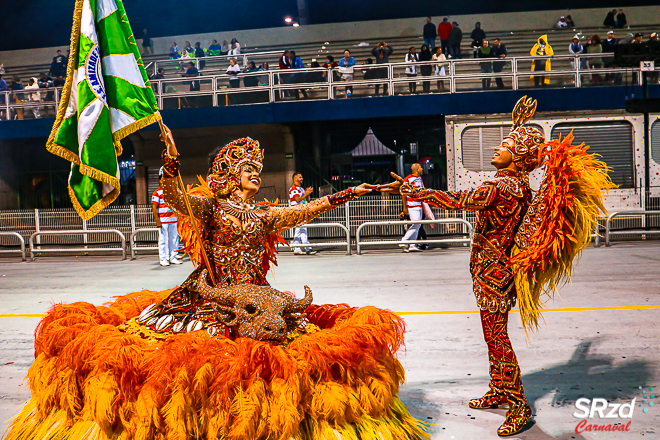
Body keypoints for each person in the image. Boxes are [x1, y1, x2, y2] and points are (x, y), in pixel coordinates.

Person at [6, 129, 431, 440]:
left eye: (257, 170)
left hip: (260, 298)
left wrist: (360, 190)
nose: (254, 174)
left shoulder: (264, 215)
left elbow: (309, 210)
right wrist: (170, 160)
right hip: (209, 297)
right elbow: (174, 197)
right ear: (230, 174)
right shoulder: (209, 208)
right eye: (248, 169)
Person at [378, 96, 614, 437]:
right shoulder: (519, 185)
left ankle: (518, 404)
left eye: (503, 147)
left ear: (516, 157)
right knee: (493, 338)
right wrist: (517, 128)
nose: (495, 150)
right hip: (494, 270)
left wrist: (419, 193)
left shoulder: (501, 186)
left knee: (498, 338)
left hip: (494, 274)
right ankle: (499, 389)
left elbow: (461, 201)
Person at [151, 169, 182, 267]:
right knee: (163, 240)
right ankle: (163, 258)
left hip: (173, 220)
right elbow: (154, 208)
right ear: (160, 180)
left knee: (174, 239)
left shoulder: (174, 191)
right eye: (163, 179)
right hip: (163, 221)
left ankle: (173, 257)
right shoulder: (157, 193)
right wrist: (157, 221)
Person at [398, 163, 424, 252]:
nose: (422, 169)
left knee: (418, 225)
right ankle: (404, 240)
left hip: (419, 204)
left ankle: (413, 244)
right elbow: (403, 193)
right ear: (417, 170)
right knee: (416, 224)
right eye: (421, 167)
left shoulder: (419, 178)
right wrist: (404, 208)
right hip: (412, 205)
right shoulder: (408, 179)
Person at [289, 172, 316, 255]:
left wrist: (308, 193)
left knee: (302, 230)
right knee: (301, 229)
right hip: (297, 211)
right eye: (300, 177)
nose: (302, 179)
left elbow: (307, 200)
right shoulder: (293, 189)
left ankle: (301, 248)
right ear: (295, 178)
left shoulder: (301, 189)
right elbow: (297, 199)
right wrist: (305, 194)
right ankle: (304, 248)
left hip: (303, 211)